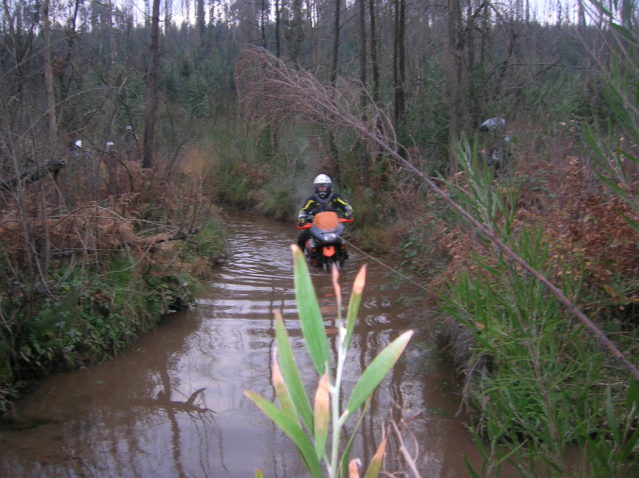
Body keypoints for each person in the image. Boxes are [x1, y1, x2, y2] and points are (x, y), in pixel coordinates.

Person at [297, 174, 353, 250]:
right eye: (320, 186)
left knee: (341, 241)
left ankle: (343, 255)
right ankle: (300, 257)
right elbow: (303, 210)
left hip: (333, 225)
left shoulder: (336, 196)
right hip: (315, 226)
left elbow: (346, 205)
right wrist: (302, 217)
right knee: (302, 237)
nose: (322, 188)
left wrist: (347, 212)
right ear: (316, 187)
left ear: (328, 186)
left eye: (324, 185)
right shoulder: (312, 198)